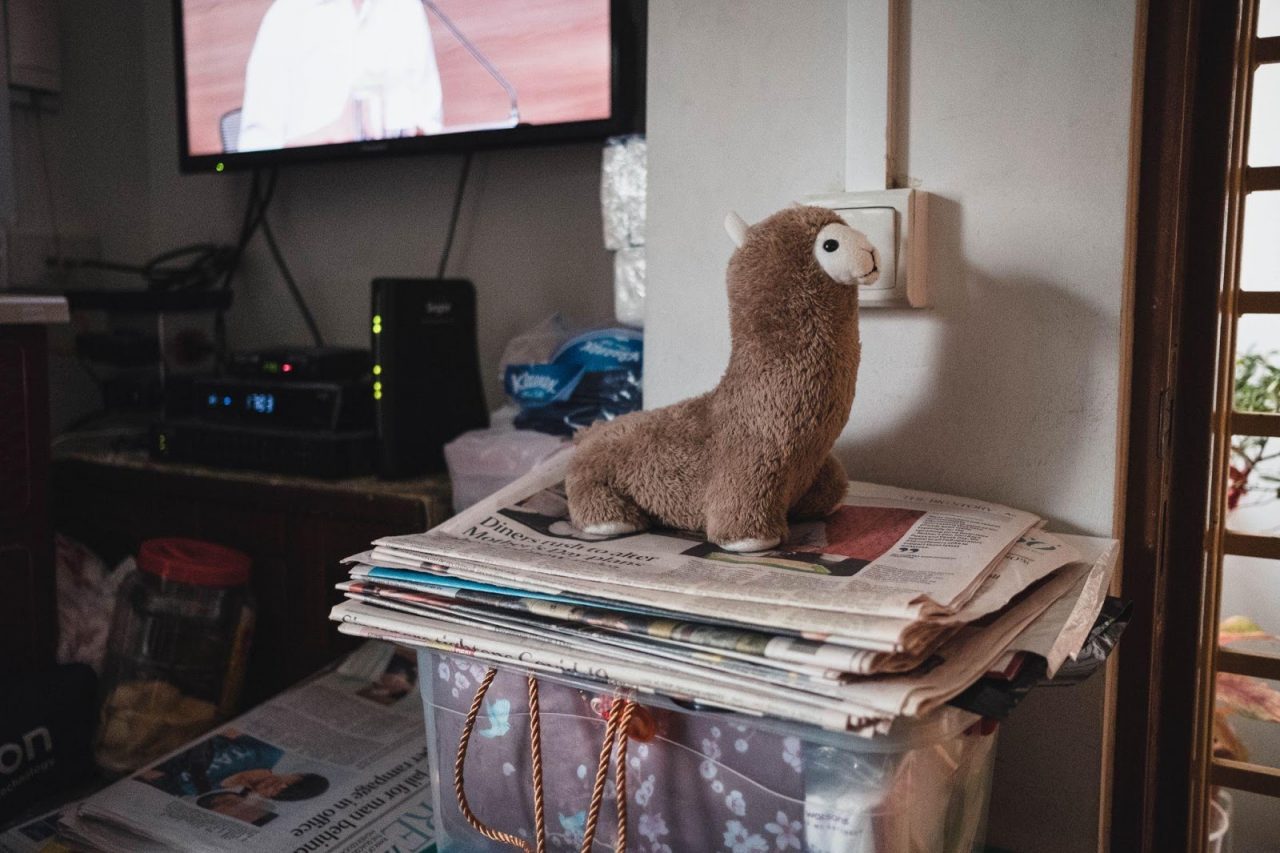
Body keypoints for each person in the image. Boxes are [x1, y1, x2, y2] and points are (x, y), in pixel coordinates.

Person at [237, 0, 444, 152]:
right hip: (310, 190)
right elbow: (253, 146)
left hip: (404, 183)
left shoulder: (405, 8)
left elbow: (431, 121)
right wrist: (328, 139)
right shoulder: (286, 16)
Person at [136, 730, 330, 802]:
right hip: (175, 731)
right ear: (296, 774)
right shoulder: (268, 752)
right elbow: (229, 729)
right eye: (292, 783)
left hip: (138, 751)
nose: (280, 787)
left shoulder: (204, 790)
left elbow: (146, 776)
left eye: (285, 793)